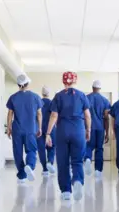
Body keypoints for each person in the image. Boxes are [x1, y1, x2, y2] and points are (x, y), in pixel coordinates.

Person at [45, 71, 92, 201]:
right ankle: (77, 180)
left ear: (63, 81)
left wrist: (48, 133)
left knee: (63, 162)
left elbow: (54, 115)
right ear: (75, 81)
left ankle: (66, 191)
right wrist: (88, 130)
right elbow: (87, 115)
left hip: (62, 131)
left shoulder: (58, 96)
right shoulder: (82, 95)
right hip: (78, 130)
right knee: (77, 160)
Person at [6, 74, 43, 184]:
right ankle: (30, 166)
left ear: (18, 84)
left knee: (17, 152)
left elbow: (10, 114)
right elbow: (39, 114)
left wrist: (9, 127)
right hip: (31, 128)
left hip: (17, 129)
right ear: (28, 83)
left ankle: (22, 175)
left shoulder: (13, 97)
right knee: (31, 150)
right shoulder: (35, 97)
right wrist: (40, 127)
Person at [84, 80, 111, 178]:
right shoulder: (105, 100)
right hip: (100, 127)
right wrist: (107, 133)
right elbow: (106, 118)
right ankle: (98, 170)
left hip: (88, 126)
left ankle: (87, 158)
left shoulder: (86, 98)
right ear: (100, 88)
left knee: (88, 146)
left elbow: (83, 115)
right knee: (99, 148)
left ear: (92, 87)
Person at [37, 86, 56, 176]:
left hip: (39, 128)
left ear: (42, 93)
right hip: (50, 129)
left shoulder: (38, 102)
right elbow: (55, 116)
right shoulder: (52, 103)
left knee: (41, 149)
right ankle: (50, 162)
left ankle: (45, 169)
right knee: (51, 147)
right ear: (49, 93)